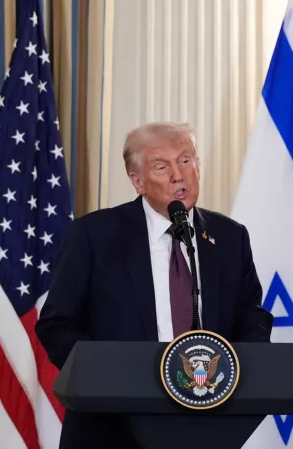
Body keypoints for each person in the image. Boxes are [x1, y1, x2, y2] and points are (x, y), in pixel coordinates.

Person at [36, 122, 273, 448]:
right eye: (162, 167)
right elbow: (56, 324)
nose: (179, 175)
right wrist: (105, 376)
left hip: (208, 422)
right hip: (111, 427)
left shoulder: (230, 236)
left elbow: (251, 314)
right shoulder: (93, 235)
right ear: (137, 182)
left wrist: (245, 369)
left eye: (186, 161)